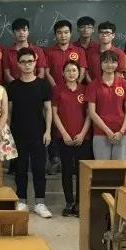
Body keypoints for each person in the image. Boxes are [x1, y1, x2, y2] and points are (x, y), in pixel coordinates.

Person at [8, 48, 53, 218]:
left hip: (38, 133)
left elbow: (48, 109)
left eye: (30, 61)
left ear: (35, 63)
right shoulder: (13, 86)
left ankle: (40, 203)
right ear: (18, 64)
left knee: (39, 169)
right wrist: (8, 134)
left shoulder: (43, 84)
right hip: (18, 134)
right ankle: (22, 201)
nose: (27, 65)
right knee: (20, 169)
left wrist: (48, 131)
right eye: (23, 62)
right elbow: (9, 112)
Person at [52, 60, 92, 217]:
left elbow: (89, 114)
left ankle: (80, 203)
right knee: (67, 170)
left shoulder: (85, 89)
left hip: (83, 137)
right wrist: (64, 134)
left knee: (82, 171)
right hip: (64, 138)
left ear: (79, 72)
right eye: (68, 70)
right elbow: (54, 114)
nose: (71, 73)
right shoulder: (57, 90)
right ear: (63, 73)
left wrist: (82, 134)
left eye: (74, 70)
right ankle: (69, 202)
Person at [87, 50, 126, 160]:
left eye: (113, 62)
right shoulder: (93, 85)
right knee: (102, 167)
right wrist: (108, 131)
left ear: (117, 64)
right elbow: (92, 112)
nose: (109, 65)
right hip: (101, 132)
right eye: (106, 62)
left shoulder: (124, 83)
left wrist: (121, 131)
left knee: (119, 167)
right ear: (100, 64)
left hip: (122, 132)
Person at [45, 20, 87, 87]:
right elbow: (47, 73)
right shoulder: (49, 52)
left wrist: (75, 86)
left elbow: (82, 72)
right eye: (59, 33)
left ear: (71, 34)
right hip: (55, 89)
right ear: (55, 35)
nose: (63, 35)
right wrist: (55, 88)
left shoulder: (80, 51)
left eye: (66, 32)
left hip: (75, 90)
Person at [3, 18, 46, 83]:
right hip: (15, 87)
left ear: (28, 32)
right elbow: (7, 74)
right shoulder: (7, 52)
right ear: (13, 32)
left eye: (24, 30)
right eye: (18, 30)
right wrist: (17, 86)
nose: (21, 32)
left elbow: (41, 73)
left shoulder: (38, 50)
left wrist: (33, 85)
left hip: (34, 86)